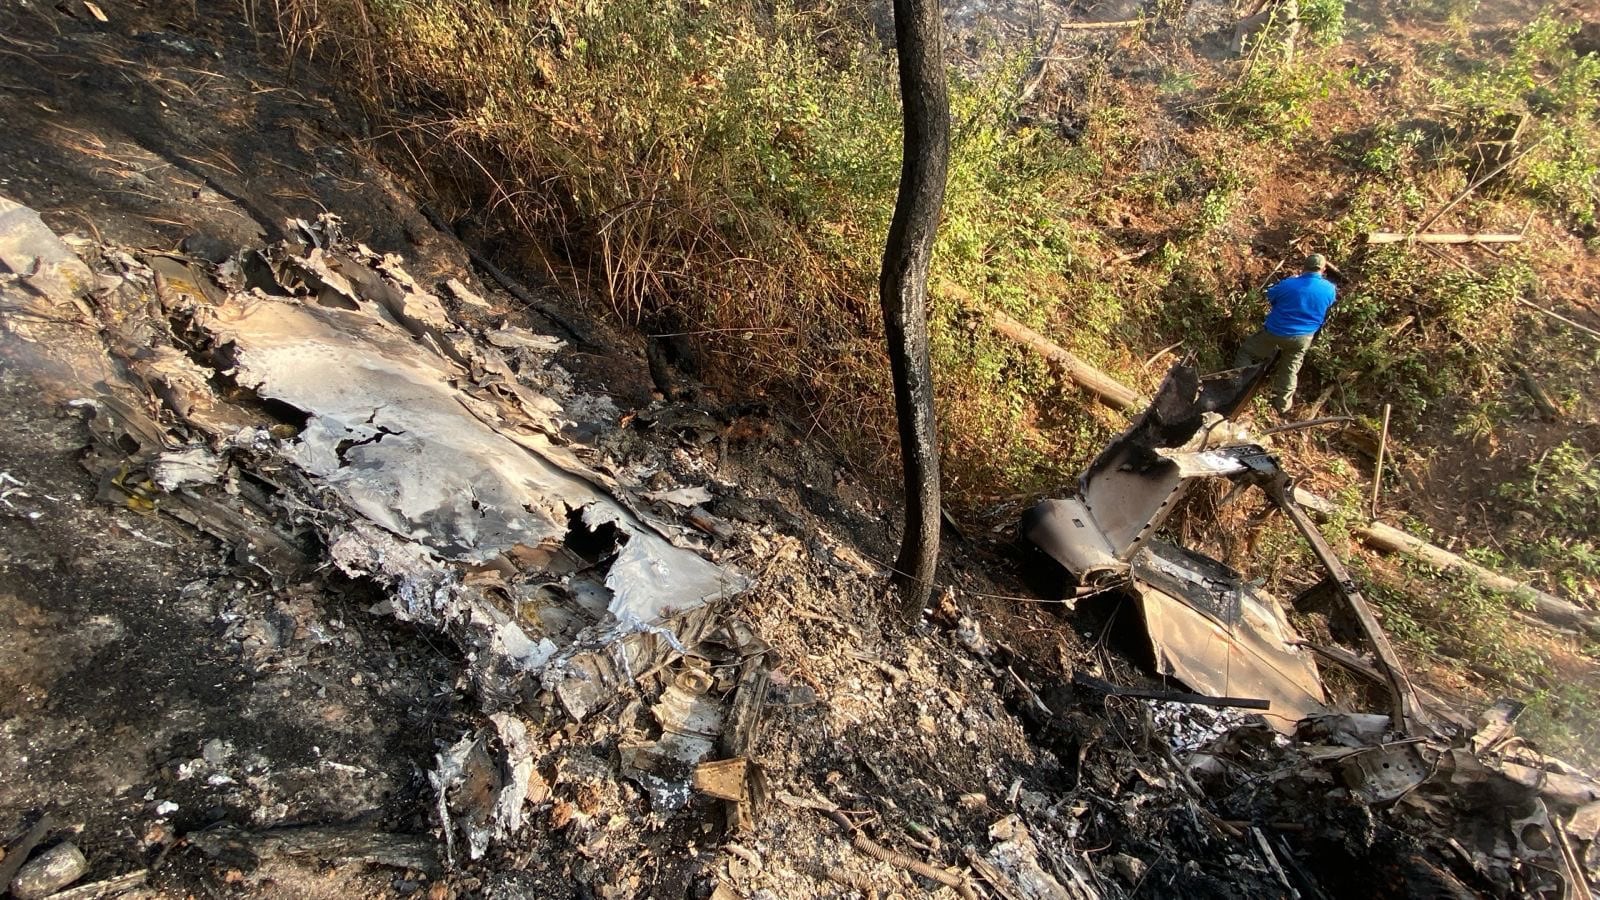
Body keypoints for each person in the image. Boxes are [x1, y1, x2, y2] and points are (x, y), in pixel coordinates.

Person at [1234, 253, 1337, 414]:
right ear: (1323, 269)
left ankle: (1237, 386)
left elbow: (1270, 295)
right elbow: (1328, 305)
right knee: (1290, 369)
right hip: (1303, 338)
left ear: (1304, 267)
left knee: (1247, 352)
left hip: (1275, 331)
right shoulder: (1330, 289)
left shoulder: (1289, 284)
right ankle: (1282, 406)